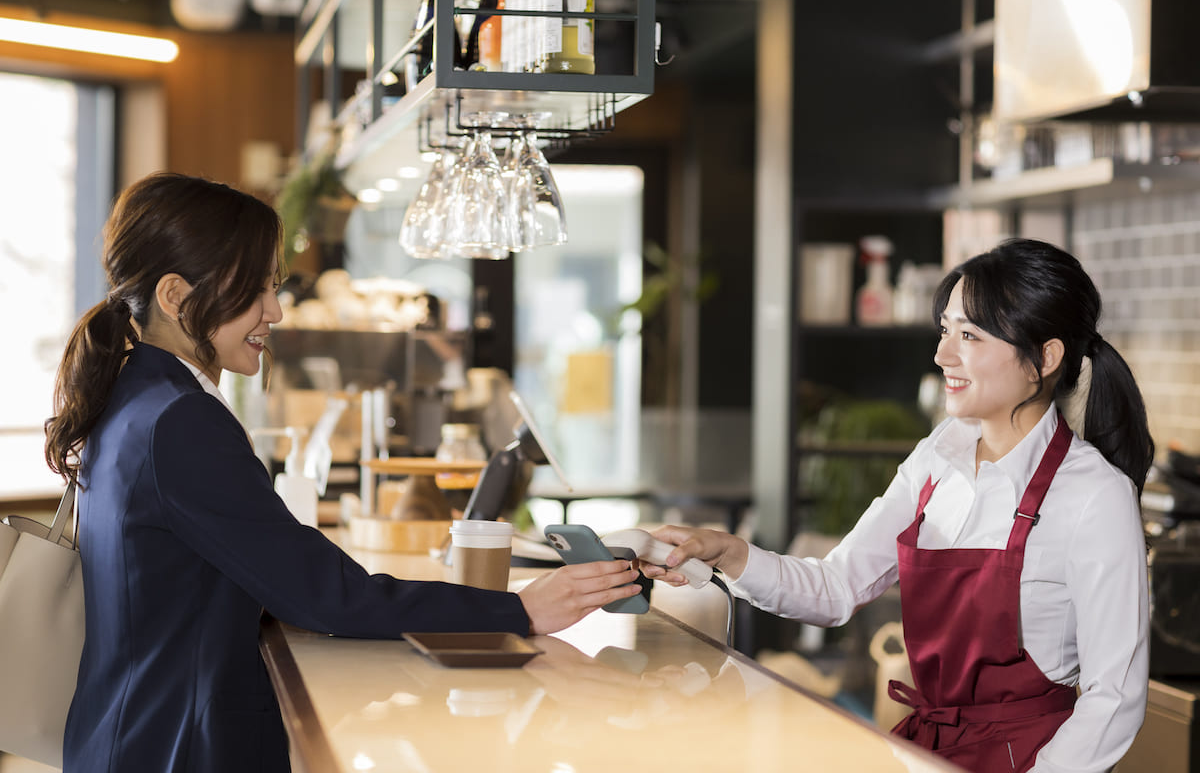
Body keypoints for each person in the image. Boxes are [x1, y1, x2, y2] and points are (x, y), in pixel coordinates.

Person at [42, 172, 642, 773]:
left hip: (135, 733)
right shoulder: (180, 419)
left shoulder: (137, 396)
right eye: (254, 289)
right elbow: (325, 597)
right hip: (176, 745)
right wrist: (520, 611)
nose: (274, 311)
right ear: (175, 296)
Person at [643, 238, 1152, 773]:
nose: (942, 355)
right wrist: (731, 555)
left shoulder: (1094, 494)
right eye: (945, 331)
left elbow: (1113, 699)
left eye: (970, 336)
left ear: (1044, 359)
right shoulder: (938, 456)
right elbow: (837, 587)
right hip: (925, 754)